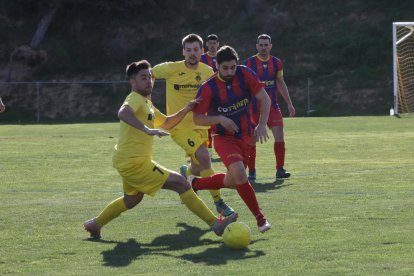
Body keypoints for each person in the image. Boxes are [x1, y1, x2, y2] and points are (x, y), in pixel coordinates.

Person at [83, 60, 237, 239]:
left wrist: (187, 108)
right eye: (143, 78)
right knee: (182, 183)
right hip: (135, 163)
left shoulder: (146, 103)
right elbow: (123, 112)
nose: (149, 81)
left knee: (132, 199)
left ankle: (95, 224)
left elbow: (167, 123)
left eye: (150, 77)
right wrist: (146, 129)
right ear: (133, 82)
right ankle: (215, 224)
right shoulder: (134, 98)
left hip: (128, 161)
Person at [190, 45, 272, 233]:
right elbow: (197, 118)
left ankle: (195, 183)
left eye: (232, 67)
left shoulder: (244, 74)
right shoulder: (208, 88)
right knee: (240, 174)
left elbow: (265, 99)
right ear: (217, 66)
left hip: (246, 136)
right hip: (223, 137)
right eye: (225, 68)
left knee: (233, 180)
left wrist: (261, 125)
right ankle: (261, 219)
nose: (229, 71)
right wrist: (219, 118)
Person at [152, 34, 234, 216]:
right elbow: (149, 74)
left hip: (201, 125)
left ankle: (187, 173)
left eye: (196, 49)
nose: (192, 53)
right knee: (205, 157)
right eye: (188, 50)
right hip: (179, 127)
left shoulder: (207, 71)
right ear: (183, 52)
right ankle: (219, 202)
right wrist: (147, 100)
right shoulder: (171, 69)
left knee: (198, 167)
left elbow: (217, 91)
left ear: (202, 51)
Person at [245, 34, 295, 180]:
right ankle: (252, 172)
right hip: (254, 109)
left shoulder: (276, 63)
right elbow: (245, 87)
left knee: (279, 135)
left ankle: (280, 169)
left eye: (266, 45)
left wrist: (289, 104)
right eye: (261, 45)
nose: (263, 47)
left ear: (270, 46)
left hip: (273, 107)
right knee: (252, 139)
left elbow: (281, 83)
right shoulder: (250, 63)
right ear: (256, 46)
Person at [200, 34, 220, 157]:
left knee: (219, 122)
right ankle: (208, 152)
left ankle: (222, 150)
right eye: (210, 43)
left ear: (218, 44)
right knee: (206, 124)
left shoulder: (222, 56)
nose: (212, 45)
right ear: (206, 44)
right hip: (205, 95)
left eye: (214, 43)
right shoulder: (201, 58)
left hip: (220, 95)